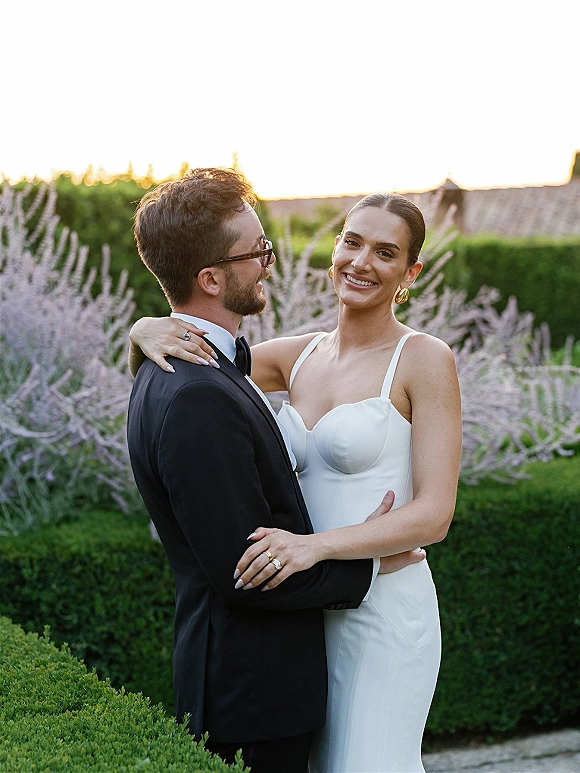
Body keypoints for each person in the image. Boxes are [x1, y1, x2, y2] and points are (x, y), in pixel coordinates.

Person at [130, 185, 462, 772]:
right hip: (304, 610)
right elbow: (192, 372)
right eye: (352, 242)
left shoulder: (424, 359)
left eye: (385, 253)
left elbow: (434, 515)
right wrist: (140, 331)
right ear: (334, 250)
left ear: (410, 272)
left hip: (379, 601)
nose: (361, 262)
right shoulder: (296, 356)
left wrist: (315, 548)